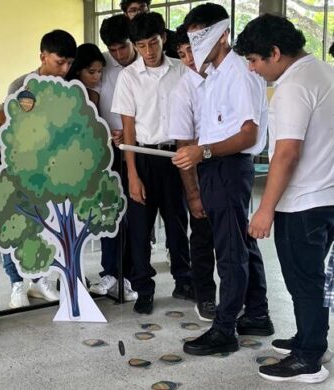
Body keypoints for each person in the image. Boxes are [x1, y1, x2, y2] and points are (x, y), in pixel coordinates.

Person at [235, 14, 334, 383]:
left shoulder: (293, 86)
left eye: (255, 59)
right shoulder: (326, 73)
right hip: (328, 197)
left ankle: (308, 359)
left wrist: (265, 209)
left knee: (303, 281)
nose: (253, 67)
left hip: (303, 202)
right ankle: (310, 339)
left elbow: (287, 153)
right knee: (313, 279)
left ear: (274, 53)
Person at [173, 3, 273, 357]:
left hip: (229, 167)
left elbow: (249, 135)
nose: (195, 45)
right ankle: (257, 314)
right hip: (215, 166)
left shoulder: (238, 73)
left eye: (202, 36)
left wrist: (205, 152)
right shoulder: (213, 74)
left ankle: (225, 328)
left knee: (230, 252)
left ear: (223, 33)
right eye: (191, 37)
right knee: (239, 243)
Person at [111, 12, 192, 315]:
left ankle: (184, 280)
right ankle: (144, 287)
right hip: (142, 156)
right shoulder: (128, 77)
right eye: (142, 45)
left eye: (154, 43)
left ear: (164, 39)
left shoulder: (182, 72)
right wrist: (132, 174)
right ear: (135, 45)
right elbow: (128, 129)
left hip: (175, 157)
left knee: (177, 223)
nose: (149, 51)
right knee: (140, 229)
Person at [4, 29, 76, 308]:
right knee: (16, 226)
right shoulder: (21, 86)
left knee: (47, 227)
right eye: (59, 62)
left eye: (69, 63)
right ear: (42, 56)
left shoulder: (70, 87)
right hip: (23, 170)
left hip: (57, 173)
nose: (64, 69)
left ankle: (40, 280)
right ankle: (16, 283)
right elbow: (16, 130)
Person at [168, 25, 216, 322]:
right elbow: (184, 146)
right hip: (199, 169)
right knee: (201, 236)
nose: (187, 59)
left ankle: (252, 302)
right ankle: (206, 297)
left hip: (230, 168)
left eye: (191, 51)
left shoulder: (227, 77)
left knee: (238, 240)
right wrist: (193, 193)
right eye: (181, 54)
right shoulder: (183, 90)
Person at [89, 14, 138, 302]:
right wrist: (106, 132)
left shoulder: (144, 65)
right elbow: (92, 105)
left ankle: (131, 275)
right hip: (108, 152)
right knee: (110, 213)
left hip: (139, 148)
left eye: (123, 48)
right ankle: (111, 272)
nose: (118, 55)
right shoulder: (102, 66)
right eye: (113, 49)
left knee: (135, 215)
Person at [66, 43, 105, 108]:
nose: (96, 77)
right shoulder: (69, 89)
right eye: (91, 72)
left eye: (99, 71)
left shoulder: (101, 86)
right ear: (78, 70)